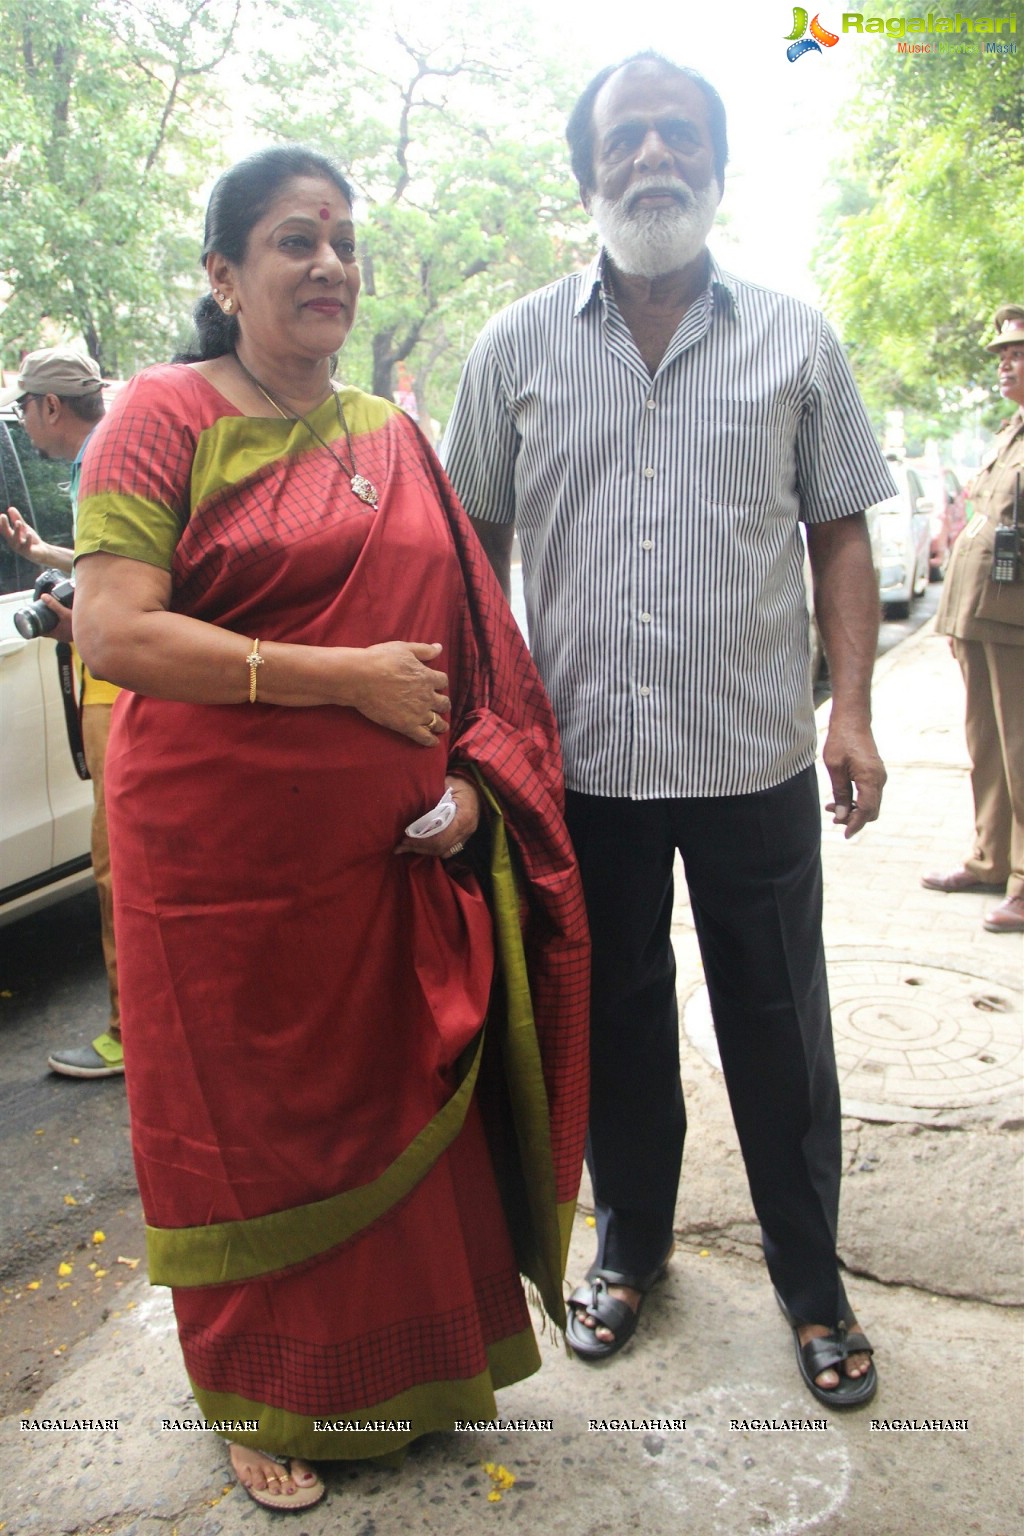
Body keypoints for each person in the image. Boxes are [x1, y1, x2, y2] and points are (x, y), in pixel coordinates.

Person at [71, 146, 589, 1511]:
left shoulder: (391, 435)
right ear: (223, 274)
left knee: (395, 1104)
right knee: (252, 1135)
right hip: (220, 878)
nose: (330, 266)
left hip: (386, 871)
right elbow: (116, 629)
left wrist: (474, 783)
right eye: (295, 241)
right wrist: (342, 679)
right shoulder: (161, 419)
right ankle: (262, 1404)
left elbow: (474, 654)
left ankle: (409, 1379)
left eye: (344, 242)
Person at [443, 52, 897, 1409]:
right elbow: (468, 540)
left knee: (779, 1022)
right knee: (619, 1020)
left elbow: (842, 532)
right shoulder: (515, 346)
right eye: (626, 137)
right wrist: (481, 725)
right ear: (587, 172)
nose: (653, 157)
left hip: (755, 754)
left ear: (715, 164)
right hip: (583, 771)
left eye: (678, 134)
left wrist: (856, 713)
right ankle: (630, 1243)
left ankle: (810, 1278)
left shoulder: (795, 337)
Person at [0, 346, 125, 1078]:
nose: (25, 422)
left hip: (115, 685)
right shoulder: (101, 464)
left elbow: (122, 602)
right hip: (106, 682)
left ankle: (126, 1032)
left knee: (118, 868)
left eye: (24, 407)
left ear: (50, 406)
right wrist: (46, 550)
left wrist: (63, 622)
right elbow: (107, 564)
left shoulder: (101, 466)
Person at [923, 307, 1024, 933]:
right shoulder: (1008, 433)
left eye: (1017, 354)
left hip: (1016, 618)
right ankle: (992, 858)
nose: (1006, 365)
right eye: (1003, 357)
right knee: (985, 743)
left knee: (1022, 748)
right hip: (983, 613)